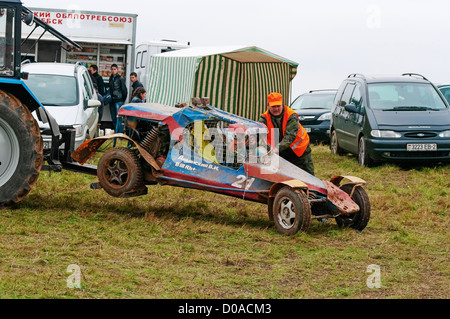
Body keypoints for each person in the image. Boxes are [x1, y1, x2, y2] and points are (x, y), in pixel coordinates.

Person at [259, 92, 315, 175]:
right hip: (281, 151)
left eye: (278, 106)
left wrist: (275, 150)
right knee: (284, 177)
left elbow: (290, 137)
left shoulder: (291, 115)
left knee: (308, 177)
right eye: (273, 106)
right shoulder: (264, 118)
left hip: (299, 150)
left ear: (282, 104)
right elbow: (258, 131)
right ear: (268, 106)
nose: (276, 109)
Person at [108, 64, 127, 133]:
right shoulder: (111, 78)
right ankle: (116, 133)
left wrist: (122, 99)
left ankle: (120, 133)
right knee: (113, 118)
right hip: (112, 100)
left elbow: (124, 91)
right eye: (112, 69)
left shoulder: (120, 78)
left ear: (117, 70)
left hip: (118, 100)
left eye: (114, 69)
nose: (113, 71)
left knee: (119, 118)